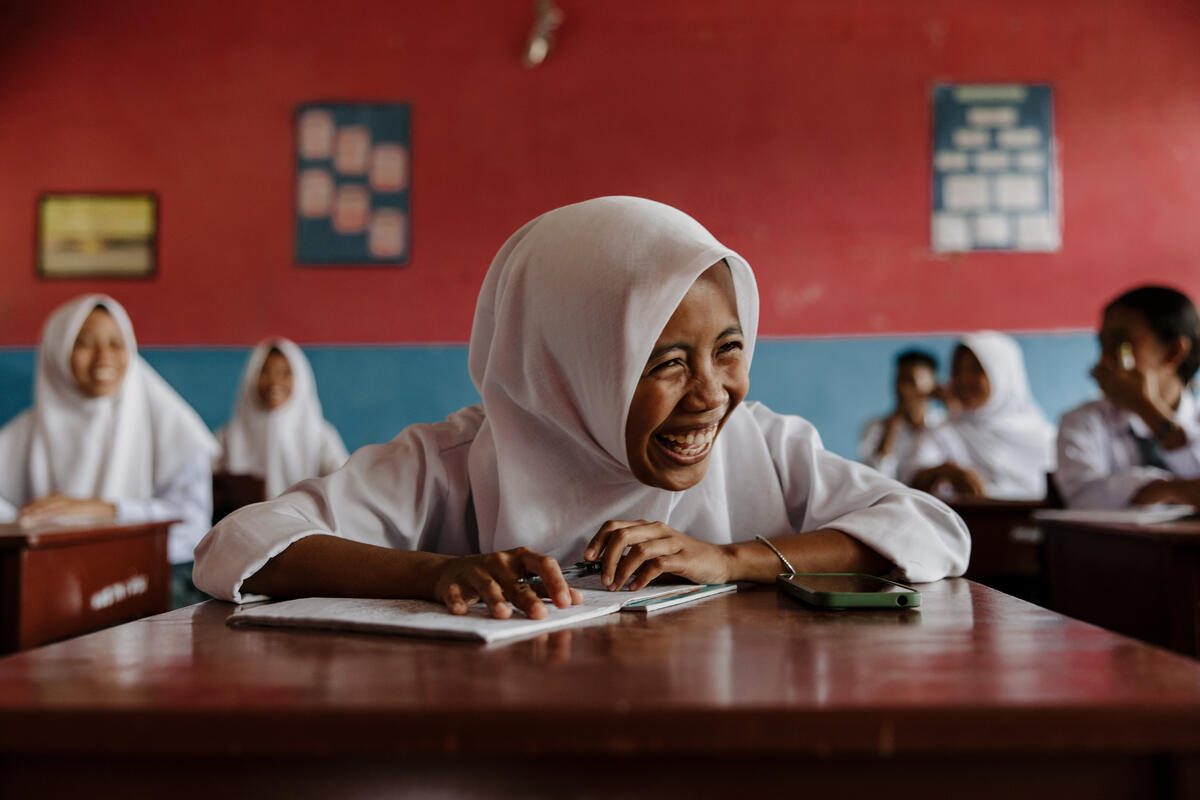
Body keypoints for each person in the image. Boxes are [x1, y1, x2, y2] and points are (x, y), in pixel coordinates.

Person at [194, 196, 969, 617]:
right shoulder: (462, 461)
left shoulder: (759, 447)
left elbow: (932, 529)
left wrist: (736, 559)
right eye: (664, 363)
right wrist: (436, 572)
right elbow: (234, 547)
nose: (711, 396)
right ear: (566, 367)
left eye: (729, 350)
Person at [0, 295, 218, 607]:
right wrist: (26, 522)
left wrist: (102, 511)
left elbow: (193, 524)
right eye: (84, 343)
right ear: (57, 352)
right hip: (55, 577)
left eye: (116, 343)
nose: (104, 357)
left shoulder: (172, 424)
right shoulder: (29, 429)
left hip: (148, 578)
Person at [1055, 285, 1200, 508]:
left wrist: (1148, 410)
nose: (1103, 362)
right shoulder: (1083, 421)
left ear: (1173, 352)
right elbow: (1083, 496)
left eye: (1121, 346)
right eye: (1102, 345)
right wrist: (1171, 489)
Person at [902, 331, 1055, 501]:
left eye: (976, 369)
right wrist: (943, 472)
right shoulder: (943, 433)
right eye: (957, 370)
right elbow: (911, 485)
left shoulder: (1045, 438)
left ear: (1003, 375)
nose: (963, 379)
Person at [216, 338, 349, 498]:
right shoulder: (227, 438)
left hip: (305, 523)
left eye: (285, 373)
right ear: (251, 377)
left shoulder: (321, 437)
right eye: (265, 372)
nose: (274, 381)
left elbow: (344, 486)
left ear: (300, 379)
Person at [858, 349, 947, 479]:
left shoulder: (944, 424)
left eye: (910, 381)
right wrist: (892, 426)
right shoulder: (875, 428)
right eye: (899, 379)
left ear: (932, 385)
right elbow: (874, 479)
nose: (902, 388)